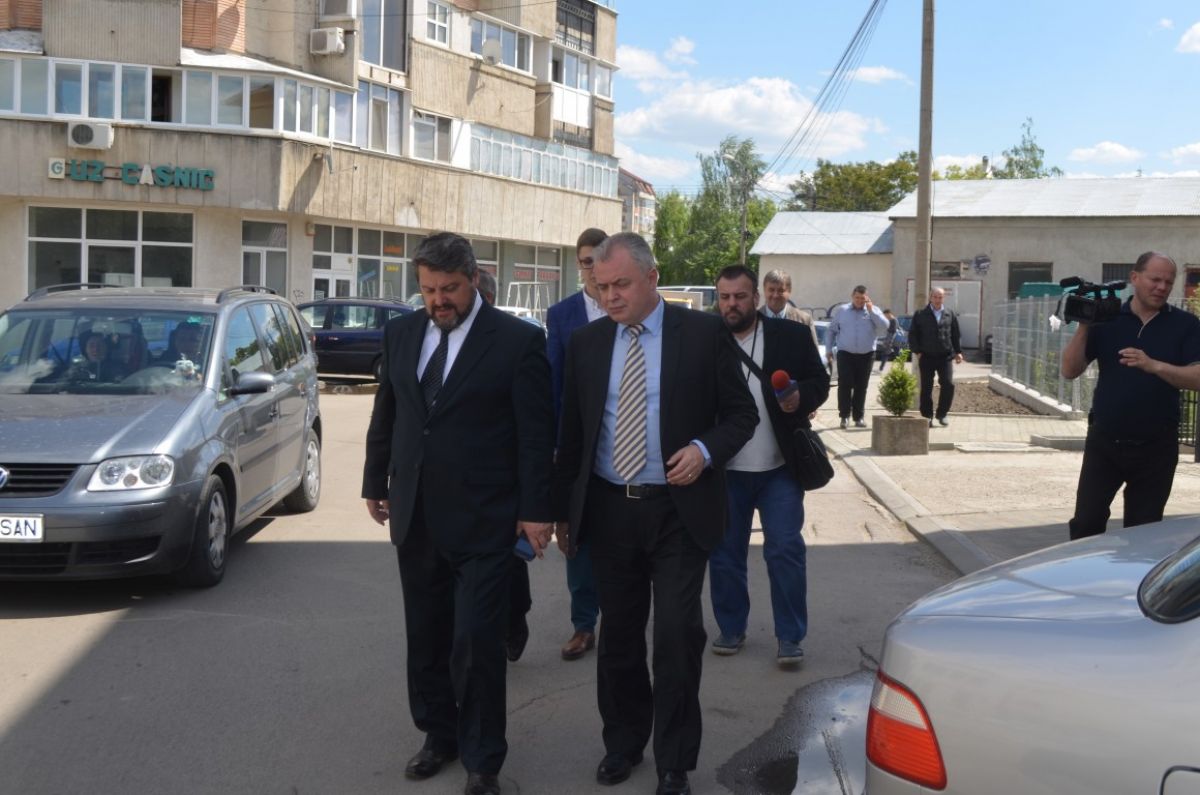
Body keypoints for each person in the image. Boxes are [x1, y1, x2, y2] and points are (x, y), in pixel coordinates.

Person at [552, 233, 757, 795]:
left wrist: (704, 450)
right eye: (601, 286)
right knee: (618, 636)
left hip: (677, 512)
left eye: (621, 284)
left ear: (652, 277)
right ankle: (622, 743)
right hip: (609, 510)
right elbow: (572, 435)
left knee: (675, 634)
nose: (610, 296)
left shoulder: (703, 334)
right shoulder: (588, 343)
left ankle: (674, 761)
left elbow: (741, 415)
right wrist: (560, 512)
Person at [362, 232, 556, 795]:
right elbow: (389, 414)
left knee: (475, 644)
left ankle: (482, 760)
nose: (438, 300)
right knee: (425, 636)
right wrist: (376, 482)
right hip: (416, 513)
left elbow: (534, 434)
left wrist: (536, 510)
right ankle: (438, 735)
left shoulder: (518, 341)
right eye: (428, 290)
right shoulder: (402, 333)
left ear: (474, 279)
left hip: (485, 519)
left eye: (449, 288)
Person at [709, 265, 829, 666]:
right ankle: (731, 627)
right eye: (724, 297)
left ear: (755, 298)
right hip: (727, 472)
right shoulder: (706, 338)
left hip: (780, 468)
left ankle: (790, 636)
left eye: (740, 296)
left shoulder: (790, 335)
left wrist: (800, 398)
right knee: (725, 554)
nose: (731, 304)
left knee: (785, 551)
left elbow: (819, 381)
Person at [1062, 251, 1200, 540]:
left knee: (1143, 532)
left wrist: (1154, 365)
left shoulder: (1186, 325)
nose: (1161, 287)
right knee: (1086, 523)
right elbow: (1069, 370)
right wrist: (1085, 325)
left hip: (1156, 448)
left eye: (1168, 282)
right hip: (1104, 443)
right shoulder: (1107, 321)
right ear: (1135, 278)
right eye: (1155, 279)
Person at [546, 227, 608, 662]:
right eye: (586, 262)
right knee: (576, 535)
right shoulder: (562, 315)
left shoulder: (627, 306)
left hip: (624, 440)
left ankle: (621, 618)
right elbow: (553, 383)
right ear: (578, 265)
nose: (592, 269)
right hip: (576, 443)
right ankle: (584, 624)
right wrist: (555, 445)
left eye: (599, 260)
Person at [476, 267, 534, 663]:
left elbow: (532, 424)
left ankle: (515, 620)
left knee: (509, 562)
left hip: (505, 478)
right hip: (461, 482)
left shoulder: (517, 342)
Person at [826, 285, 888, 429]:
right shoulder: (842, 311)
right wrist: (828, 349)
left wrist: (872, 311)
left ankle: (858, 417)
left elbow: (885, 326)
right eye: (857, 298)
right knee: (845, 384)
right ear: (852, 297)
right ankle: (844, 416)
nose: (859, 301)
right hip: (845, 353)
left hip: (866, 355)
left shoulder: (873, 310)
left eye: (862, 298)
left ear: (867, 298)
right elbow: (831, 330)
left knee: (861, 386)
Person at [907, 288, 963, 426]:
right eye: (935, 297)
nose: (938, 300)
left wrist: (958, 352)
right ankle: (927, 416)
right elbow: (913, 335)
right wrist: (917, 351)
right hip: (926, 356)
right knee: (926, 387)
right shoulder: (921, 314)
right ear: (930, 297)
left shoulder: (949, 314)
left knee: (948, 384)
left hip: (945, 356)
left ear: (944, 298)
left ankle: (942, 414)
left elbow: (955, 334)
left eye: (940, 297)